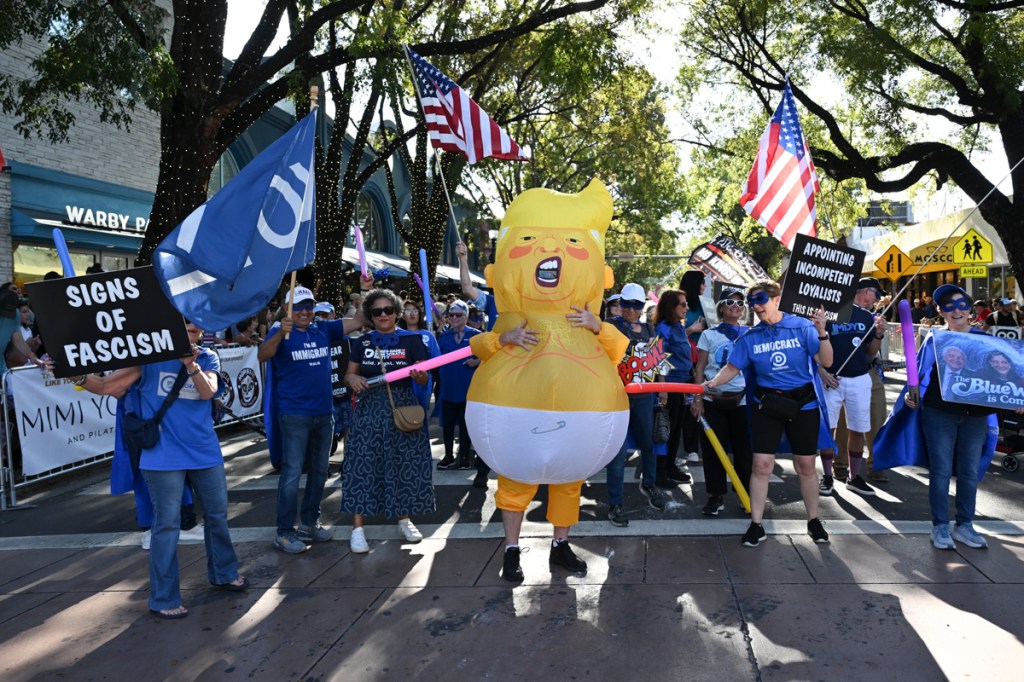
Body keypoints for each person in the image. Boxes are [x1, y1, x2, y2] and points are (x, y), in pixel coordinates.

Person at [61, 321, 247, 618]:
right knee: (167, 525)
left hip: (204, 452)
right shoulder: (148, 357)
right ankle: (164, 598)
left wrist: (191, 366)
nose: (193, 327)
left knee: (217, 515)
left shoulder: (207, 356)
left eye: (198, 324)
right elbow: (108, 386)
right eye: (186, 322)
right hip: (162, 456)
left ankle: (224, 573)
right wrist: (73, 373)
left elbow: (208, 392)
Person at [877, 284, 1024, 550]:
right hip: (939, 413)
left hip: (976, 415)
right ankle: (940, 527)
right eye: (948, 306)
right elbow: (919, 375)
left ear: (970, 309)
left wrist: (1015, 399)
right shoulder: (934, 339)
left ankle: (965, 525)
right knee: (941, 471)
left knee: (969, 472)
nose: (956, 311)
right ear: (940, 311)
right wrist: (912, 397)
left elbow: (1003, 377)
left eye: (961, 305)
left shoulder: (986, 340)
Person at [703, 279, 833, 547]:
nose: (755, 306)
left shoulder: (802, 326)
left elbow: (827, 361)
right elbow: (732, 367)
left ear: (776, 299)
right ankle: (756, 524)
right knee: (761, 465)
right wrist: (713, 382)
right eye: (752, 302)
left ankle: (813, 520)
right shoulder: (750, 337)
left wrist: (822, 332)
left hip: (803, 405)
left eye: (760, 299)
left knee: (806, 466)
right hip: (767, 405)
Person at [259, 284, 367, 554]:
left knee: (320, 472)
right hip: (294, 414)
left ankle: (309, 522)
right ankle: (284, 532)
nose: (305, 311)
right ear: (287, 309)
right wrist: (278, 333)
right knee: (293, 473)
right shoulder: (279, 332)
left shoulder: (323, 328)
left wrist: (365, 290)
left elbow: (358, 320)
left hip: (324, 412)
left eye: (309, 306)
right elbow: (263, 355)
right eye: (299, 307)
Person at [342, 289, 437, 553]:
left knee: (403, 462)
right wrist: (353, 380)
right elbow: (349, 375)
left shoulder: (414, 340)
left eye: (388, 310)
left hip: (403, 408)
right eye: (377, 311)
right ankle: (358, 529)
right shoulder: (362, 343)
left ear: (396, 312)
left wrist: (420, 376)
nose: (383, 315)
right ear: (370, 316)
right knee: (362, 465)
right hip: (369, 410)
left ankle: (405, 519)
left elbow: (423, 378)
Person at [606, 283, 672, 526]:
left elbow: (658, 359)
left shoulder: (649, 328)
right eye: (627, 304)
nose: (632, 310)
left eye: (637, 305)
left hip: (644, 395)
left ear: (643, 306)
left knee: (649, 443)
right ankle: (615, 503)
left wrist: (662, 386)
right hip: (615, 398)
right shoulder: (609, 327)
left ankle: (649, 484)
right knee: (617, 452)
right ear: (619, 304)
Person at [817, 278, 889, 497]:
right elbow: (813, 347)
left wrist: (878, 333)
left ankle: (854, 477)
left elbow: (870, 352)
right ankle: (827, 476)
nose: (875, 299)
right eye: (875, 294)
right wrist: (822, 373)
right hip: (832, 378)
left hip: (859, 378)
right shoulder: (827, 313)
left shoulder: (866, 317)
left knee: (857, 428)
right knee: (828, 429)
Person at [692, 289, 753, 516]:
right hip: (713, 398)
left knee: (744, 451)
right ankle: (715, 496)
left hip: (743, 399)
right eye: (729, 302)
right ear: (721, 308)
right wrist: (697, 399)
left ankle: (745, 493)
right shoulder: (709, 335)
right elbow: (699, 368)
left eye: (740, 302)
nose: (735, 306)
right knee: (713, 450)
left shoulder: (751, 333)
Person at [650, 288, 695, 486]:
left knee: (676, 429)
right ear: (671, 307)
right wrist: (662, 387)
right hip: (669, 385)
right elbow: (658, 358)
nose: (687, 307)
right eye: (683, 304)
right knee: (665, 429)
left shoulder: (677, 326)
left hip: (683, 384)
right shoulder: (664, 328)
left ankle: (669, 467)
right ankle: (659, 472)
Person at [436, 300, 482, 471]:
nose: (454, 318)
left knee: (465, 425)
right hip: (448, 388)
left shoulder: (476, 335)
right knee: (447, 425)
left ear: (466, 316)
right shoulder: (444, 336)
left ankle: (464, 456)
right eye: (451, 315)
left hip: (468, 388)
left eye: (459, 314)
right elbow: (435, 358)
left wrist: (478, 360)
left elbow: (489, 356)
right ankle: (448, 455)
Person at [678, 271, 708, 463]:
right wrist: (691, 330)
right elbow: (667, 331)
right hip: (683, 362)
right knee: (688, 404)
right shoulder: (679, 305)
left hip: (704, 361)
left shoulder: (706, 306)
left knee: (702, 402)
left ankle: (701, 447)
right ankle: (691, 448)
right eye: (702, 283)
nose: (705, 286)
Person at [455, 242, 499, 331]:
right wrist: (463, 259)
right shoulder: (493, 302)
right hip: (493, 344)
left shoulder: (527, 304)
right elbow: (467, 289)